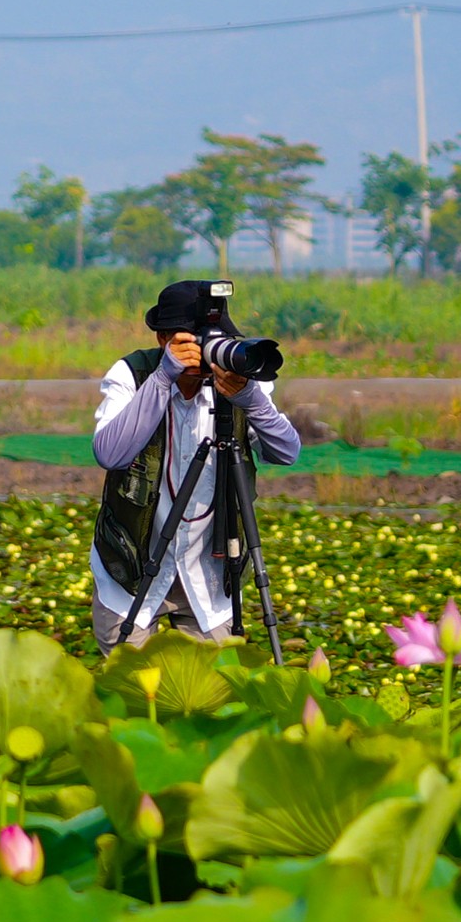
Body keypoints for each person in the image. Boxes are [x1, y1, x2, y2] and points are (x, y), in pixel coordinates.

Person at [88, 279, 301, 651]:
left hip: (209, 576)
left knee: (215, 694)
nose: (206, 356)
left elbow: (286, 452)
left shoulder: (238, 385)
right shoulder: (133, 375)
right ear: (163, 340)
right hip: (131, 570)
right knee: (128, 691)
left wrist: (251, 399)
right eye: (195, 342)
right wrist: (162, 378)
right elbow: (110, 454)